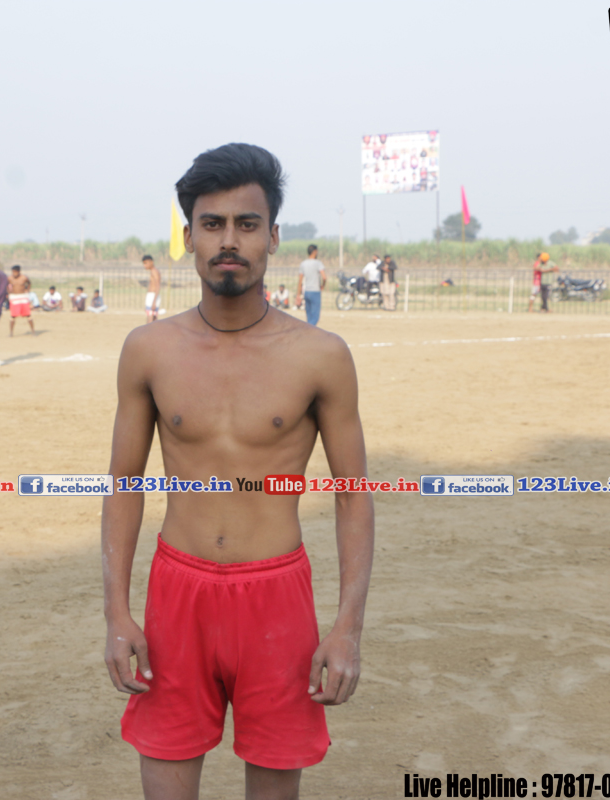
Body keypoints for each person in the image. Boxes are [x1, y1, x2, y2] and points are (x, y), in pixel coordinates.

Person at [103, 143, 373, 800]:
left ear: (272, 237)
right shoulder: (149, 350)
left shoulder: (320, 356)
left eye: (247, 224)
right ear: (190, 236)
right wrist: (117, 614)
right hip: (177, 595)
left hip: (277, 598)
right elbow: (124, 487)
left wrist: (347, 628)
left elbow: (353, 498)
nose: (230, 240)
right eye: (213, 224)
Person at [297, 243, 326, 325]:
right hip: (315, 291)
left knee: (309, 317)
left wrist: (298, 294)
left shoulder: (303, 264)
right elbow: (324, 277)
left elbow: (300, 281)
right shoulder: (318, 263)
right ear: (315, 252)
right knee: (315, 317)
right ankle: (306, 330)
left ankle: (308, 330)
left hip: (307, 292)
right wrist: (323, 285)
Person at [7, 265, 35, 336]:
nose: (14, 273)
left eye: (15, 272)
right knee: (13, 315)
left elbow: (29, 283)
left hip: (23, 297)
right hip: (14, 297)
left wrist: (27, 290)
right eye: (13, 272)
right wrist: (8, 292)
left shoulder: (24, 278)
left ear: (19, 271)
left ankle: (33, 331)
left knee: (28, 315)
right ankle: (11, 333)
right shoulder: (10, 278)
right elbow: (6, 285)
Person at [143, 255, 161, 322]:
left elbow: (158, 286)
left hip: (153, 297)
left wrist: (154, 301)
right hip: (152, 297)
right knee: (153, 320)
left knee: (150, 321)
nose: (144, 265)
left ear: (151, 262)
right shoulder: (153, 271)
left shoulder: (154, 272)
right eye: (144, 263)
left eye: (146, 263)